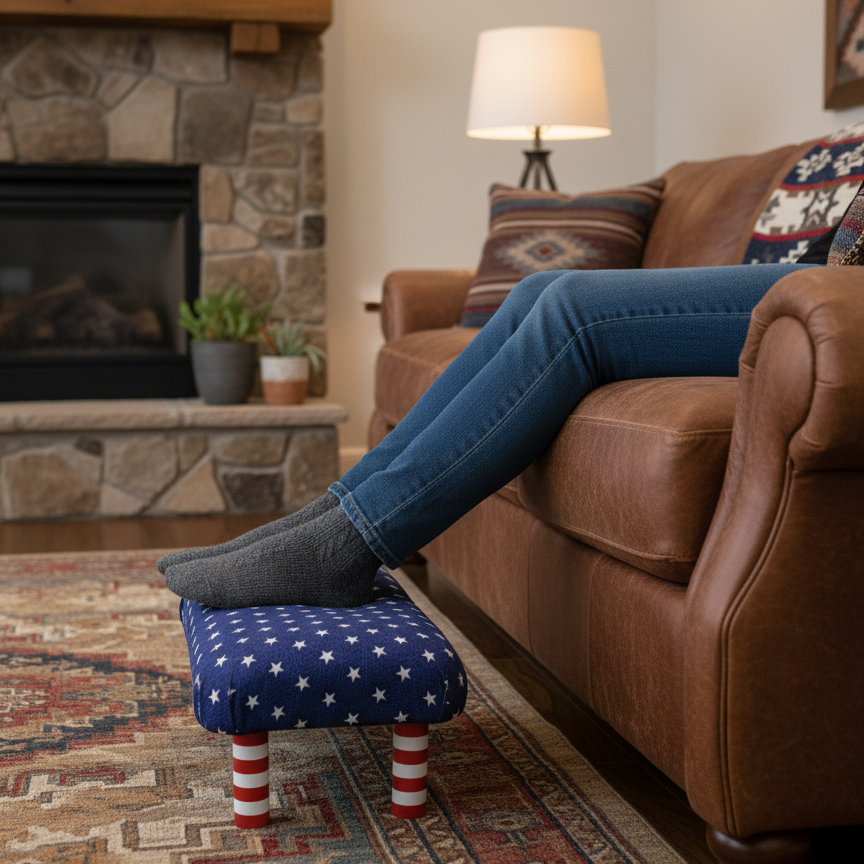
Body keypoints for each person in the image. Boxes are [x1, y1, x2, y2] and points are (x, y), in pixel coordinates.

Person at [158, 257, 824, 610]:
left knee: (573, 313)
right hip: (832, 273)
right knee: (541, 286)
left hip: (840, 300)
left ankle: (344, 547)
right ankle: (331, 515)